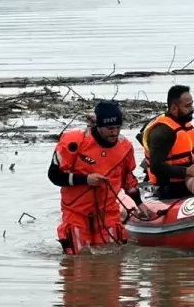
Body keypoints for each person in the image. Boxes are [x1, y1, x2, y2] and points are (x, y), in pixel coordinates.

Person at [48, 100, 150, 254]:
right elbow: (54, 175)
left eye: (118, 127)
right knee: (77, 259)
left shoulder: (125, 147)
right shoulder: (75, 142)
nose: (114, 133)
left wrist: (139, 204)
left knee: (113, 259)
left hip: (107, 212)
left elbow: (128, 179)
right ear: (99, 126)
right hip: (76, 212)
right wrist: (86, 180)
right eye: (110, 128)